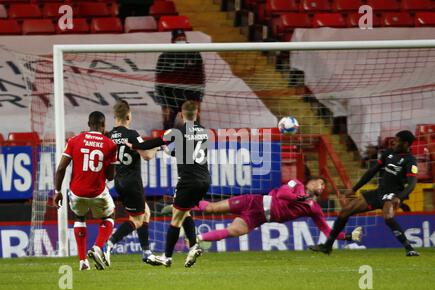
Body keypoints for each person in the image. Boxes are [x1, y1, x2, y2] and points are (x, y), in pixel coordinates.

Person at [310, 130, 420, 256]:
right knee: (346, 210)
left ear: (406, 144)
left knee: (388, 216)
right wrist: (355, 188)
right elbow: (371, 172)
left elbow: (412, 184)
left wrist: (399, 197)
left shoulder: (410, 161)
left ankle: (409, 248)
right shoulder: (388, 153)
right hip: (379, 192)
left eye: (397, 141)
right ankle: (327, 246)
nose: (394, 142)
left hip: (393, 195)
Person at [128, 101, 210, 267]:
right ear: (197, 113)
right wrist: (169, 151)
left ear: (180, 114)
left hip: (188, 181)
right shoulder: (204, 132)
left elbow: (148, 144)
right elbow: (188, 153)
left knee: (175, 217)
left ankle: (167, 256)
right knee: (183, 212)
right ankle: (193, 246)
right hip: (204, 180)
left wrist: (134, 145)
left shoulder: (176, 132)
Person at [192, 177, 362, 245]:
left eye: (324, 186)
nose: (322, 186)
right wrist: (298, 198)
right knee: (211, 208)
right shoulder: (297, 184)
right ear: (311, 182)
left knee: (234, 231)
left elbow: (327, 230)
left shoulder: (314, 209)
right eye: (320, 182)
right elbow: (282, 193)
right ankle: (186, 200)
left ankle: (196, 238)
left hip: (259, 218)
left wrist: (347, 236)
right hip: (254, 202)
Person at [53, 111, 118, 271]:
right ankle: (97, 247)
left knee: (79, 217)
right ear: (103, 126)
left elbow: (61, 168)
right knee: (110, 215)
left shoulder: (74, 140)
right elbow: (110, 177)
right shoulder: (110, 144)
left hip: (76, 192)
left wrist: (57, 191)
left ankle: (83, 261)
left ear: (89, 125)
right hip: (97, 192)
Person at [106, 100, 167, 266]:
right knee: (137, 219)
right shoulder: (132, 134)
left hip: (118, 181)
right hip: (132, 181)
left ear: (114, 117)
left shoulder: (108, 135)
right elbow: (147, 155)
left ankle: (147, 252)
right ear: (128, 116)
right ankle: (109, 244)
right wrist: (158, 147)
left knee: (145, 212)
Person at [154, 29, 205, 130]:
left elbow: (200, 77)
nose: (182, 41)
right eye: (179, 39)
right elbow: (159, 80)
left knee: (194, 124)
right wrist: (164, 103)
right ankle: (167, 130)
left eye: (183, 38)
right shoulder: (164, 57)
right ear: (173, 41)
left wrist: (199, 97)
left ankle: (196, 132)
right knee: (168, 125)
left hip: (190, 93)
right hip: (171, 95)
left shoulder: (195, 55)